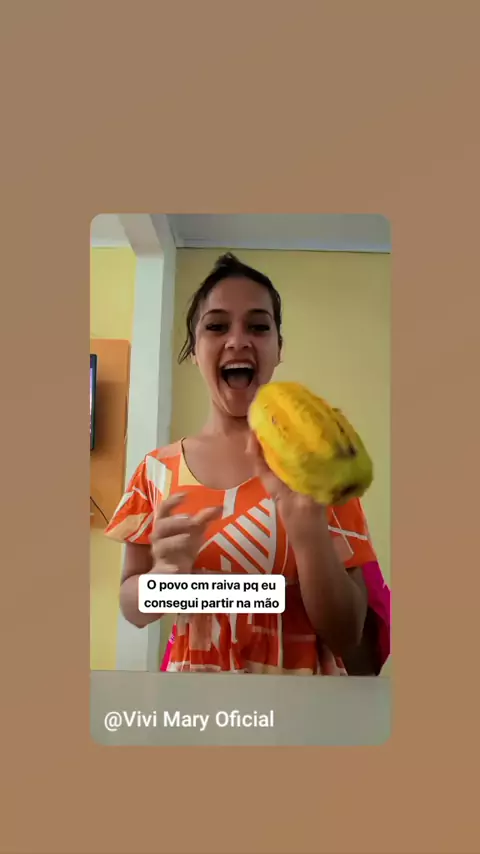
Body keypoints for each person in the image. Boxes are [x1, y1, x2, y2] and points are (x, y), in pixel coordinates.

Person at [105, 253, 391, 675]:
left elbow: (347, 635)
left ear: (278, 348)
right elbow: (133, 609)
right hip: (195, 704)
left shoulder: (320, 467)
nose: (238, 340)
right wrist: (165, 578)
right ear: (194, 350)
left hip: (304, 706)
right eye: (216, 326)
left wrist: (309, 535)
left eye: (258, 326)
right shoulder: (156, 471)